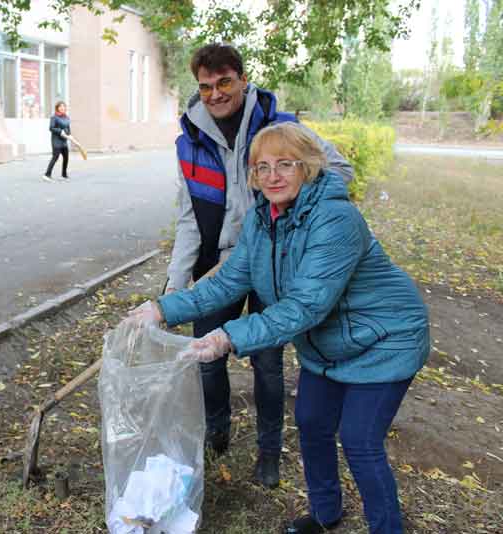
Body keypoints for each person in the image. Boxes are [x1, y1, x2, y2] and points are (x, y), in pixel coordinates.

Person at [132, 122, 430, 534]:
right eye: (261, 167)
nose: (272, 176)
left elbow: (305, 306)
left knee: (360, 440)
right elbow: (227, 281)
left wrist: (228, 337)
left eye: (284, 164)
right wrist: (161, 309)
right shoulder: (262, 219)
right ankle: (325, 517)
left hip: (384, 340)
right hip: (328, 346)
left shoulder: (335, 219)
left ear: (307, 166)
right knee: (311, 421)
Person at [166, 43, 355, 487]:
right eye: (205, 86)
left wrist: (283, 214)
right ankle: (217, 432)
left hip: (275, 261)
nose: (215, 94)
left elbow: (339, 170)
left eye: (224, 82)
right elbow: (188, 217)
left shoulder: (280, 127)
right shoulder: (188, 142)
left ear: (243, 80)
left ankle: (269, 450)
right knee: (206, 357)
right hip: (219, 266)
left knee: (267, 363)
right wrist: (176, 282)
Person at [43, 101, 71, 182]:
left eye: (64, 106)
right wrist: (60, 131)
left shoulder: (67, 117)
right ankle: (47, 175)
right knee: (55, 157)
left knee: (66, 158)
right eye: (60, 106)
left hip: (64, 141)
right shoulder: (54, 117)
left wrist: (69, 134)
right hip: (56, 141)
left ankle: (64, 175)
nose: (62, 108)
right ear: (57, 108)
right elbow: (51, 128)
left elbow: (68, 129)